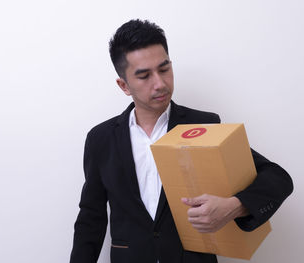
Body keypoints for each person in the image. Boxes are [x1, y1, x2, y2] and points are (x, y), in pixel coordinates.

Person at [69, 19, 293, 263]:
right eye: (144, 76)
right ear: (124, 85)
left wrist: (234, 206)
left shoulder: (202, 126)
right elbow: (91, 218)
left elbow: (277, 178)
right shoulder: (100, 139)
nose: (160, 83)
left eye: (164, 69)